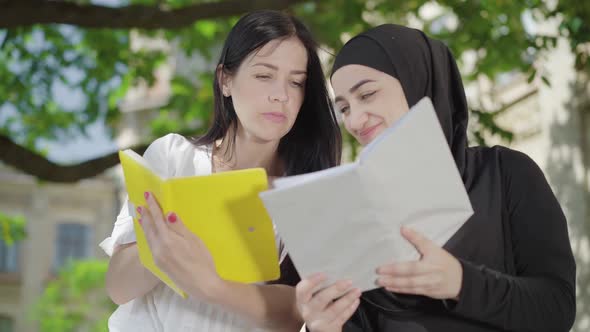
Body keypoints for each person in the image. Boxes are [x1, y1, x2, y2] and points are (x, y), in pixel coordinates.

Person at [295, 24, 576, 332]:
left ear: (419, 82)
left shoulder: (505, 173)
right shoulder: (353, 215)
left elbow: (556, 309)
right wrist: (323, 326)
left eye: (367, 94)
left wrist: (460, 283)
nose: (355, 120)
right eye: (344, 108)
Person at [100, 10, 341, 332]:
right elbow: (118, 288)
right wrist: (161, 246)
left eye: (295, 82)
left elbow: (297, 313)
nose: (280, 95)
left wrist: (209, 284)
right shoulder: (174, 157)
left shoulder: (306, 192)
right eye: (264, 75)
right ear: (225, 80)